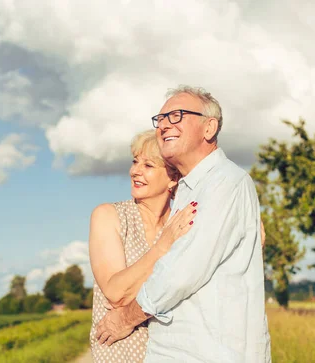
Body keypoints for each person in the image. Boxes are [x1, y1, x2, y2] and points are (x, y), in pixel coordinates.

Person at [95, 86, 272, 362]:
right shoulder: (188, 191)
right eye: (161, 118)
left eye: (176, 116)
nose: (164, 124)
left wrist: (125, 319)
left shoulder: (224, 183)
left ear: (209, 128)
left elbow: (178, 274)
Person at [88, 129, 199, 362]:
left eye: (148, 165)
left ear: (173, 178)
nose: (134, 171)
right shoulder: (110, 216)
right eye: (135, 162)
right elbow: (117, 294)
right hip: (119, 354)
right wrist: (162, 247)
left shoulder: (181, 222)